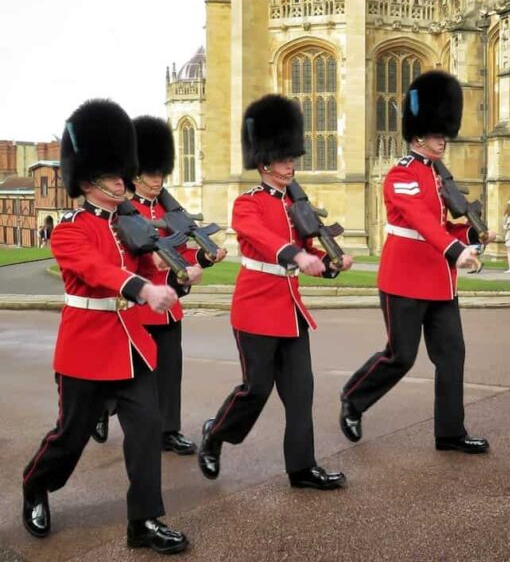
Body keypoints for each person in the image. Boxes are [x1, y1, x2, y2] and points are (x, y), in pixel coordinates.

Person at [21, 99, 189, 554]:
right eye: (115, 176)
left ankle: (144, 522)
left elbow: (152, 270)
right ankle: (36, 484)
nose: (124, 181)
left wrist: (177, 275)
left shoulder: (127, 228)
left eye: (123, 174)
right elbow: (98, 272)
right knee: (70, 438)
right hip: (86, 351)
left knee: (146, 431)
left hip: (131, 345)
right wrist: (142, 287)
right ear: (90, 180)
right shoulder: (70, 230)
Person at [197, 94, 353, 490]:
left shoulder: (297, 206)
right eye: (284, 159)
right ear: (264, 162)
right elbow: (261, 239)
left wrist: (332, 263)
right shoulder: (246, 203)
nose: (291, 165)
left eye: (292, 158)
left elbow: (311, 253)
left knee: (301, 394)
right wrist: (298, 255)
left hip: (291, 309)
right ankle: (215, 435)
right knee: (256, 390)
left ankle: (302, 468)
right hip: (256, 308)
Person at [339, 70, 496, 454]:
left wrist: (472, 237)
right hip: (404, 280)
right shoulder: (400, 175)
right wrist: (456, 251)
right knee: (401, 356)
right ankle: (354, 399)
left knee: (452, 356)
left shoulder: (440, 179)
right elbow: (422, 224)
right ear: (417, 137)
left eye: (444, 134)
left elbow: (444, 227)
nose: (443, 140)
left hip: (440, 282)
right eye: (436, 135)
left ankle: (450, 433)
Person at [129, 116, 227, 455]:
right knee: (131, 377)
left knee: (170, 373)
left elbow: (185, 248)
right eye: (151, 173)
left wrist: (207, 256)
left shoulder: (169, 210)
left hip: (169, 307)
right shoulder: (127, 213)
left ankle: (168, 430)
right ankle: (102, 410)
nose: (157, 180)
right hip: (139, 307)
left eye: (160, 173)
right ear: (135, 174)